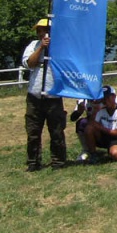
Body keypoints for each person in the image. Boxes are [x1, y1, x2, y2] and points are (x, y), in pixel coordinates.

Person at [22, 18, 67, 171]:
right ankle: (33, 161)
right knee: (33, 131)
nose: (42, 33)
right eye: (40, 30)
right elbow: (29, 63)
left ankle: (58, 161)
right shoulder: (32, 46)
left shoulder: (60, 47)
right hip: (34, 96)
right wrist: (41, 48)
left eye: (45, 30)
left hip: (53, 96)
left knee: (56, 131)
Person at [83, 86, 117, 163]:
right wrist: (95, 110)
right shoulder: (101, 110)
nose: (105, 101)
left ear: (114, 97)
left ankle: (116, 150)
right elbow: (92, 124)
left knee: (116, 155)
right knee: (89, 128)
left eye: (107, 98)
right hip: (105, 135)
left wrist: (100, 127)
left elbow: (116, 133)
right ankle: (93, 154)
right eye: (103, 98)